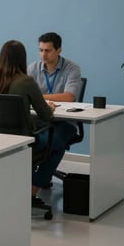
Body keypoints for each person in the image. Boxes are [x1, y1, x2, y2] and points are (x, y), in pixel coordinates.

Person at [0, 40, 56, 207]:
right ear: (22, 59)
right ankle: (33, 188)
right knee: (57, 143)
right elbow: (45, 115)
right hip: (21, 142)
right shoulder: (26, 81)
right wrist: (51, 108)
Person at [27, 32, 82, 191]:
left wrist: (39, 97)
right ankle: (25, 182)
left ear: (59, 50)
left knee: (55, 142)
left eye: (48, 50)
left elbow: (69, 96)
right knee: (27, 142)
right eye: (41, 50)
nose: (43, 54)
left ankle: (35, 186)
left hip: (64, 122)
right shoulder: (33, 68)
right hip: (40, 120)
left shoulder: (72, 69)